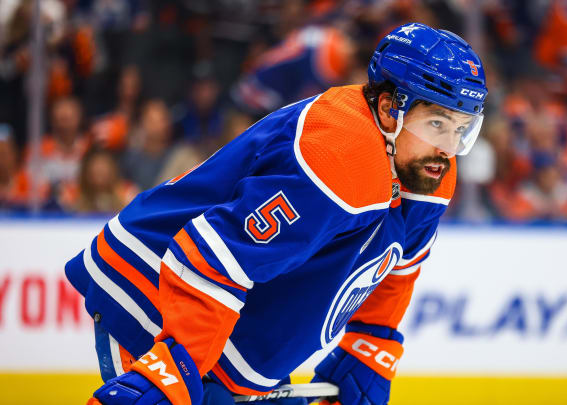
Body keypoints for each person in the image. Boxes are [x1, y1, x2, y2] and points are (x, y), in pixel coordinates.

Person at [65, 22, 487, 405]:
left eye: (461, 128)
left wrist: (369, 345)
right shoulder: (341, 156)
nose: (449, 148)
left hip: (231, 331)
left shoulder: (427, 168)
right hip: (150, 290)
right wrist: (175, 365)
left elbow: (398, 266)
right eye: (437, 123)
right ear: (389, 110)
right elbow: (213, 254)